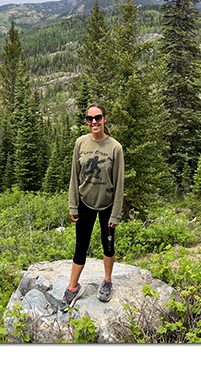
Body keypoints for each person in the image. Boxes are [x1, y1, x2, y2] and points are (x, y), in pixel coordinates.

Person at [64, 103, 125, 308]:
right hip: (84, 203)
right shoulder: (80, 143)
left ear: (105, 119)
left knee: (108, 246)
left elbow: (119, 183)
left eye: (97, 118)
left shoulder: (115, 147)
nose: (93, 122)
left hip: (107, 205)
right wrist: (73, 205)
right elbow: (74, 176)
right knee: (80, 246)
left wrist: (115, 214)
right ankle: (73, 287)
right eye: (89, 119)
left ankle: (107, 281)